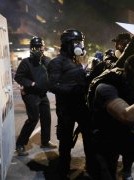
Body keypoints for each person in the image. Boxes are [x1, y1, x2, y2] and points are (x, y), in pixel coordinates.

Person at [47, 29, 91, 179]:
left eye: (80, 42)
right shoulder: (56, 62)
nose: (80, 45)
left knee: (89, 136)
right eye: (76, 42)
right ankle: (63, 169)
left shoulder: (75, 61)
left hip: (80, 106)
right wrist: (73, 89)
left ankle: (91, 165)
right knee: (65, 141)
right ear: (67, 44)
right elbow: (52, 86)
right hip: (66, 109)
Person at [14, 37, 56, 156]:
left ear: (43, 48)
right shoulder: (26, 62)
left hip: (42, 94)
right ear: (31, 48)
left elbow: (53, 71)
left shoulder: (46, 61)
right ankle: (20, 144)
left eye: (40, 47)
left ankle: (45, 141)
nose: (38, 49)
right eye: (35, 47)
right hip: (31, 94)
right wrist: (31, 83)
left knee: (46, 117)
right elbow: (18, 77)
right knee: (33, 119)